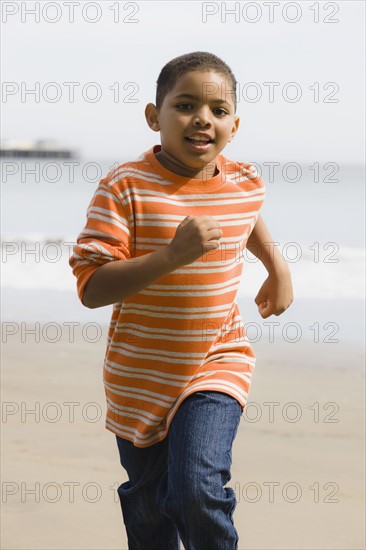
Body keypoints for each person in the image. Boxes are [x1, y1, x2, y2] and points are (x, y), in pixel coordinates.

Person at [69, 51, 293, 550]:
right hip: (140, 376)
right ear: (155, 116)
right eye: (186, 105)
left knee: (196, 488)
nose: (202, 119)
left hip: (218, 360)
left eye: (218, 110)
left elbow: (246, 213)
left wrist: (276, 266)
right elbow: (91, 286)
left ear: (235, 124)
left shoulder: (244, 178)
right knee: (149, 510)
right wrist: (171, 256)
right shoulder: (124, 187)